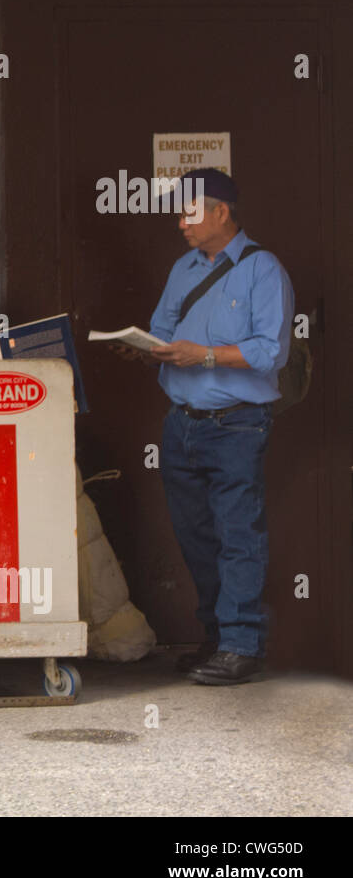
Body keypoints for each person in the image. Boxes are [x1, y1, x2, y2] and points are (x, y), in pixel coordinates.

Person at [126, 168, 293, 685]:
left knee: (238, 534)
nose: (181, 223)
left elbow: (271, 352)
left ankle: (243, 645)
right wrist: (142, 348)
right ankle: (218, 638)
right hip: (182, 427)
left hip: (238, 426)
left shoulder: (263, 270)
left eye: (189, 212)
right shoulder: (184, 268)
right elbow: (160, 331)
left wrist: (205, 356)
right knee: (196, 536)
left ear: (221, 212)